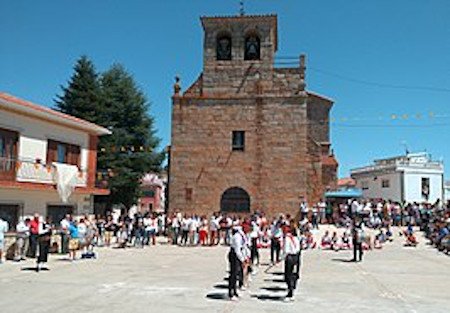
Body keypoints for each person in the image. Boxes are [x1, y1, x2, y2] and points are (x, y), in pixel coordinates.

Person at [282, 226, 301, 301]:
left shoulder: (287, 238)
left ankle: (290, 293)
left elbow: (286, 250)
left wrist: (281, 257)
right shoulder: (296, 238)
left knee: (288, 275)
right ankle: (292, 290)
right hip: (295, 257)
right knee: (293, 274)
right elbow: (297, 249)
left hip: (289, 257)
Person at [228, 226, 245, 301]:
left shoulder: (241, 235)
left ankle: (235, 291)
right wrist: (242, 260)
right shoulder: (237, 237)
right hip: (234, 255)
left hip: (237, 254)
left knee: (236, 274)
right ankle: (231, 293)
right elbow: (237, 250)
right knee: (233, 274)